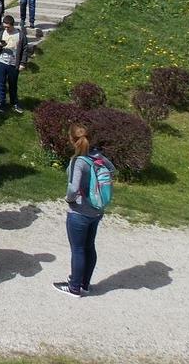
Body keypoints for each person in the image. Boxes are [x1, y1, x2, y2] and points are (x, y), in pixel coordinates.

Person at [54, 124, 116, 297]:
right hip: (97, 210)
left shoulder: (78, 161)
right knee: (89, 247)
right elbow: (111, 170)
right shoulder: (97, 156)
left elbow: (73, 188)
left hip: (79, 211)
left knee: (78, 249)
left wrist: (69, 200)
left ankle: (74, 287)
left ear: (72, 140)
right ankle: (85, 284)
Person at [0, 15, 29, 114]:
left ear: (12, 25)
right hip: (1, 62)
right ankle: (1, 103)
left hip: (14, 64)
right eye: (4, 26)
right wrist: (0, 46)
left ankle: (14, 103)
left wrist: (22, 63)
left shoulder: (20, 35)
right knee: (0, 84)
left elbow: (25, 50)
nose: (6, 29)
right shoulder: (1, 34)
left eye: (8, 27)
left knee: (13, 85)